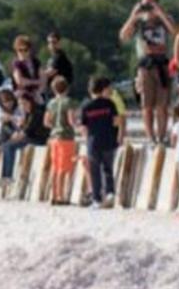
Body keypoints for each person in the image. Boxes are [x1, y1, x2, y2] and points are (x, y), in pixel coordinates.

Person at [119, 0, 175, 144]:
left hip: (162, 63)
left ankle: (162, 136)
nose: (148, 8)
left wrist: (159, 12)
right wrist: (133, 15)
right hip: (145, 65)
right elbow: (123, 36)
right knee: (146, 104)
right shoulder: (138, 22)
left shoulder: (165, 19)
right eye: (145, 4)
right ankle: (151, 137)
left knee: (162, 105)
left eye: (150, 4)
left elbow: (174, 32)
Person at [79, 77, 122, 209]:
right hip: (108, 140)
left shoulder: (86, 107)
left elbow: (83, 128)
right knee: (108, 168)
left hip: (93, 142)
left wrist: (87, 139)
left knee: (95, 171)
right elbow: (116, 121)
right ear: (103, 89)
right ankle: (110, 193)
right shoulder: (110, 104)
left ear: (90, 90)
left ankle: (97, 199)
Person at [43, 75, 78, 205]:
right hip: (66, 137)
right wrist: (79, 126)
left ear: (54, 89)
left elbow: (46, 122)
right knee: (64, 169)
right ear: (67, 88)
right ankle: (61, 196)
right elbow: (71, 120)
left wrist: (55, 126)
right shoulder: (68, 102)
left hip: (54, 137)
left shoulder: (51, 103)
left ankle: (54, 194)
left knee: (56, 167)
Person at [0, 88, 29, 192]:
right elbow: (3, 118)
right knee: (6, 125)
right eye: (5, 102)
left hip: (16, 135)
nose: (8, 104)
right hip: (3, 136)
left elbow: (21, 121)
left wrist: (13, 119)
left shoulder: (18, 108)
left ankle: (6, 176)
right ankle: (6, 176)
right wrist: (14, 119)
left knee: (8, 147)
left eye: (10, 101)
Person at [10, 35, 43, 104]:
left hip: (36, 93)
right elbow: (20, 81)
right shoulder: (16, 63)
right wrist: (36, 82)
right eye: (20, 50)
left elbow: (43, 79)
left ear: (29, 50)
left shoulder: (36, 61)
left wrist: (38, 91)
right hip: (22, 94)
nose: (23, 52)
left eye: (25, 50)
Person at [42, 32, 74, 102]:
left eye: (54, 42)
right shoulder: (52, 58)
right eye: (49, 42)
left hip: (59, 93)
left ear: (59, 43)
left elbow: (51, 72)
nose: (51, 45)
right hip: (53, 92)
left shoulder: (59, 56)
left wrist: (36, 76)